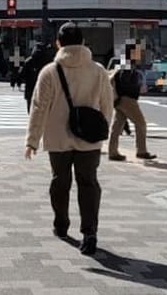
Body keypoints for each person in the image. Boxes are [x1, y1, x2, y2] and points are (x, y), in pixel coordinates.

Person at [24, 22, 114, 256]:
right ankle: (90, 233)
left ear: (58, 43)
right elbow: (107, 105)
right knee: (89, 184)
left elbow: (39, 107)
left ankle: (61, 225)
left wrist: (32, 140)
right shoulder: (98, 70)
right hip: (90, 140)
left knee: (60, 182)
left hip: (58, 138)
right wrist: (101, 131)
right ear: (83, 43)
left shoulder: (50, 71)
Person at [108, 65, 156, 161]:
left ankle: (112, 152)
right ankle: (141, 151)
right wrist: (138, 87)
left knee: (117, 126)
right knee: (141, 123)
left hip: (119, 100)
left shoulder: (124, 68)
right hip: (127, 99)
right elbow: (126, 85)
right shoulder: (128, 68)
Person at [18, 39, 54, 113]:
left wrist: (19, 82)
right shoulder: (48, 61)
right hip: (45, 90)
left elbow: (21, 74)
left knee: (31, 112)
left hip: (30, 91)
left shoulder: (29, 61)